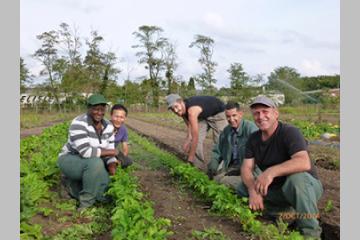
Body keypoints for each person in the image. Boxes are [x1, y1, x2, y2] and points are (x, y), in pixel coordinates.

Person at [237, 95, 323, 238]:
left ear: (276, 113)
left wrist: (270, 172)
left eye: (265, 111)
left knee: (296, 179)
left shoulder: (289, 132)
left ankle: (311, 232)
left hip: (305, 187)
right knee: (242, 186)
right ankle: (286, 214)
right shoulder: (253, 139)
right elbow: (246, 168)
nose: (261, 116)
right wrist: (253, 189)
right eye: (256, 113)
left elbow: (303, 162)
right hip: (277, 188)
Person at [57, 94, 118, 209]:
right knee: (95, 163)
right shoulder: (79, 123)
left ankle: (75, 186)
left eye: (102, 109)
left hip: (92, 162)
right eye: (95, 109)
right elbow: (86, 152)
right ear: (88, 108)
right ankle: (85, 205)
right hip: (70, 159)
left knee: (105, 196)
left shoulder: (109, 126)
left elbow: (110, 152)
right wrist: (112, 152)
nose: (99, 112)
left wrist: (112, 168)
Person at [166, 94, 228, 169]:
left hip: (218, 113)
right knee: (194, 141)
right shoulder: (182, 111)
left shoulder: (192, 111)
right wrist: (188, 139)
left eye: (176, 106)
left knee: (220, 141)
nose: (175, 110)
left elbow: (195, 136)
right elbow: (189, 125)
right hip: (203, 116)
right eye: (173, 109)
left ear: (181, 102)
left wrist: (190, 158)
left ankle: (219, 169)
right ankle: (197, 168)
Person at [207, 102, 258, 190]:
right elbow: (217, 150)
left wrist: (242, 170)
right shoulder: (227, 131)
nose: (231, 119)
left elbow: (259, 157)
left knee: (223, 182)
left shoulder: (251, 129)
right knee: (215, 180)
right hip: (232, 168)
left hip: (250, 171)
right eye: (228, 116)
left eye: (234, 115)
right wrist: (213, 163)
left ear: (241, 114)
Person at [110, 103, 133, 170]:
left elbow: (125, 147)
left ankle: (115, 165)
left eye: (121, 117)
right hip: (103, 152)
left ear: (125, 118)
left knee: (128, 161)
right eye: (116, 116)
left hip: (114, 152)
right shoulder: (105, 126)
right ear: (111, 115)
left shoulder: (123, 129)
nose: (118, 120)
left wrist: (123, 159)